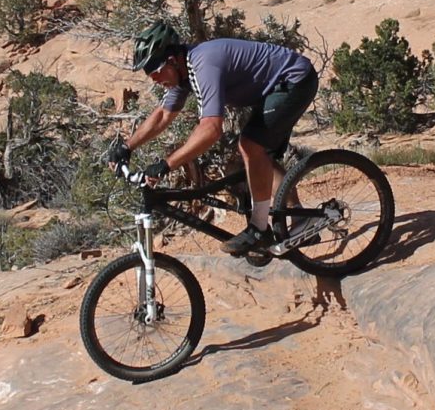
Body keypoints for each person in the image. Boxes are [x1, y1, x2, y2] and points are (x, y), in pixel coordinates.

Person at [112, 22, 318, 256]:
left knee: (251, 146)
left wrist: (167, 164)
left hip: (294, 80)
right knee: (259, 153)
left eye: (155, 71)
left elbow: (211, 129)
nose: (154, 79)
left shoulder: (203, 64)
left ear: (172, 60)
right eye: (149, 74)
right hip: (273, 87)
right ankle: (300, 217)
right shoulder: (184, 73)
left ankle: (260, 228)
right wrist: (127, 147)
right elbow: (163, 114)